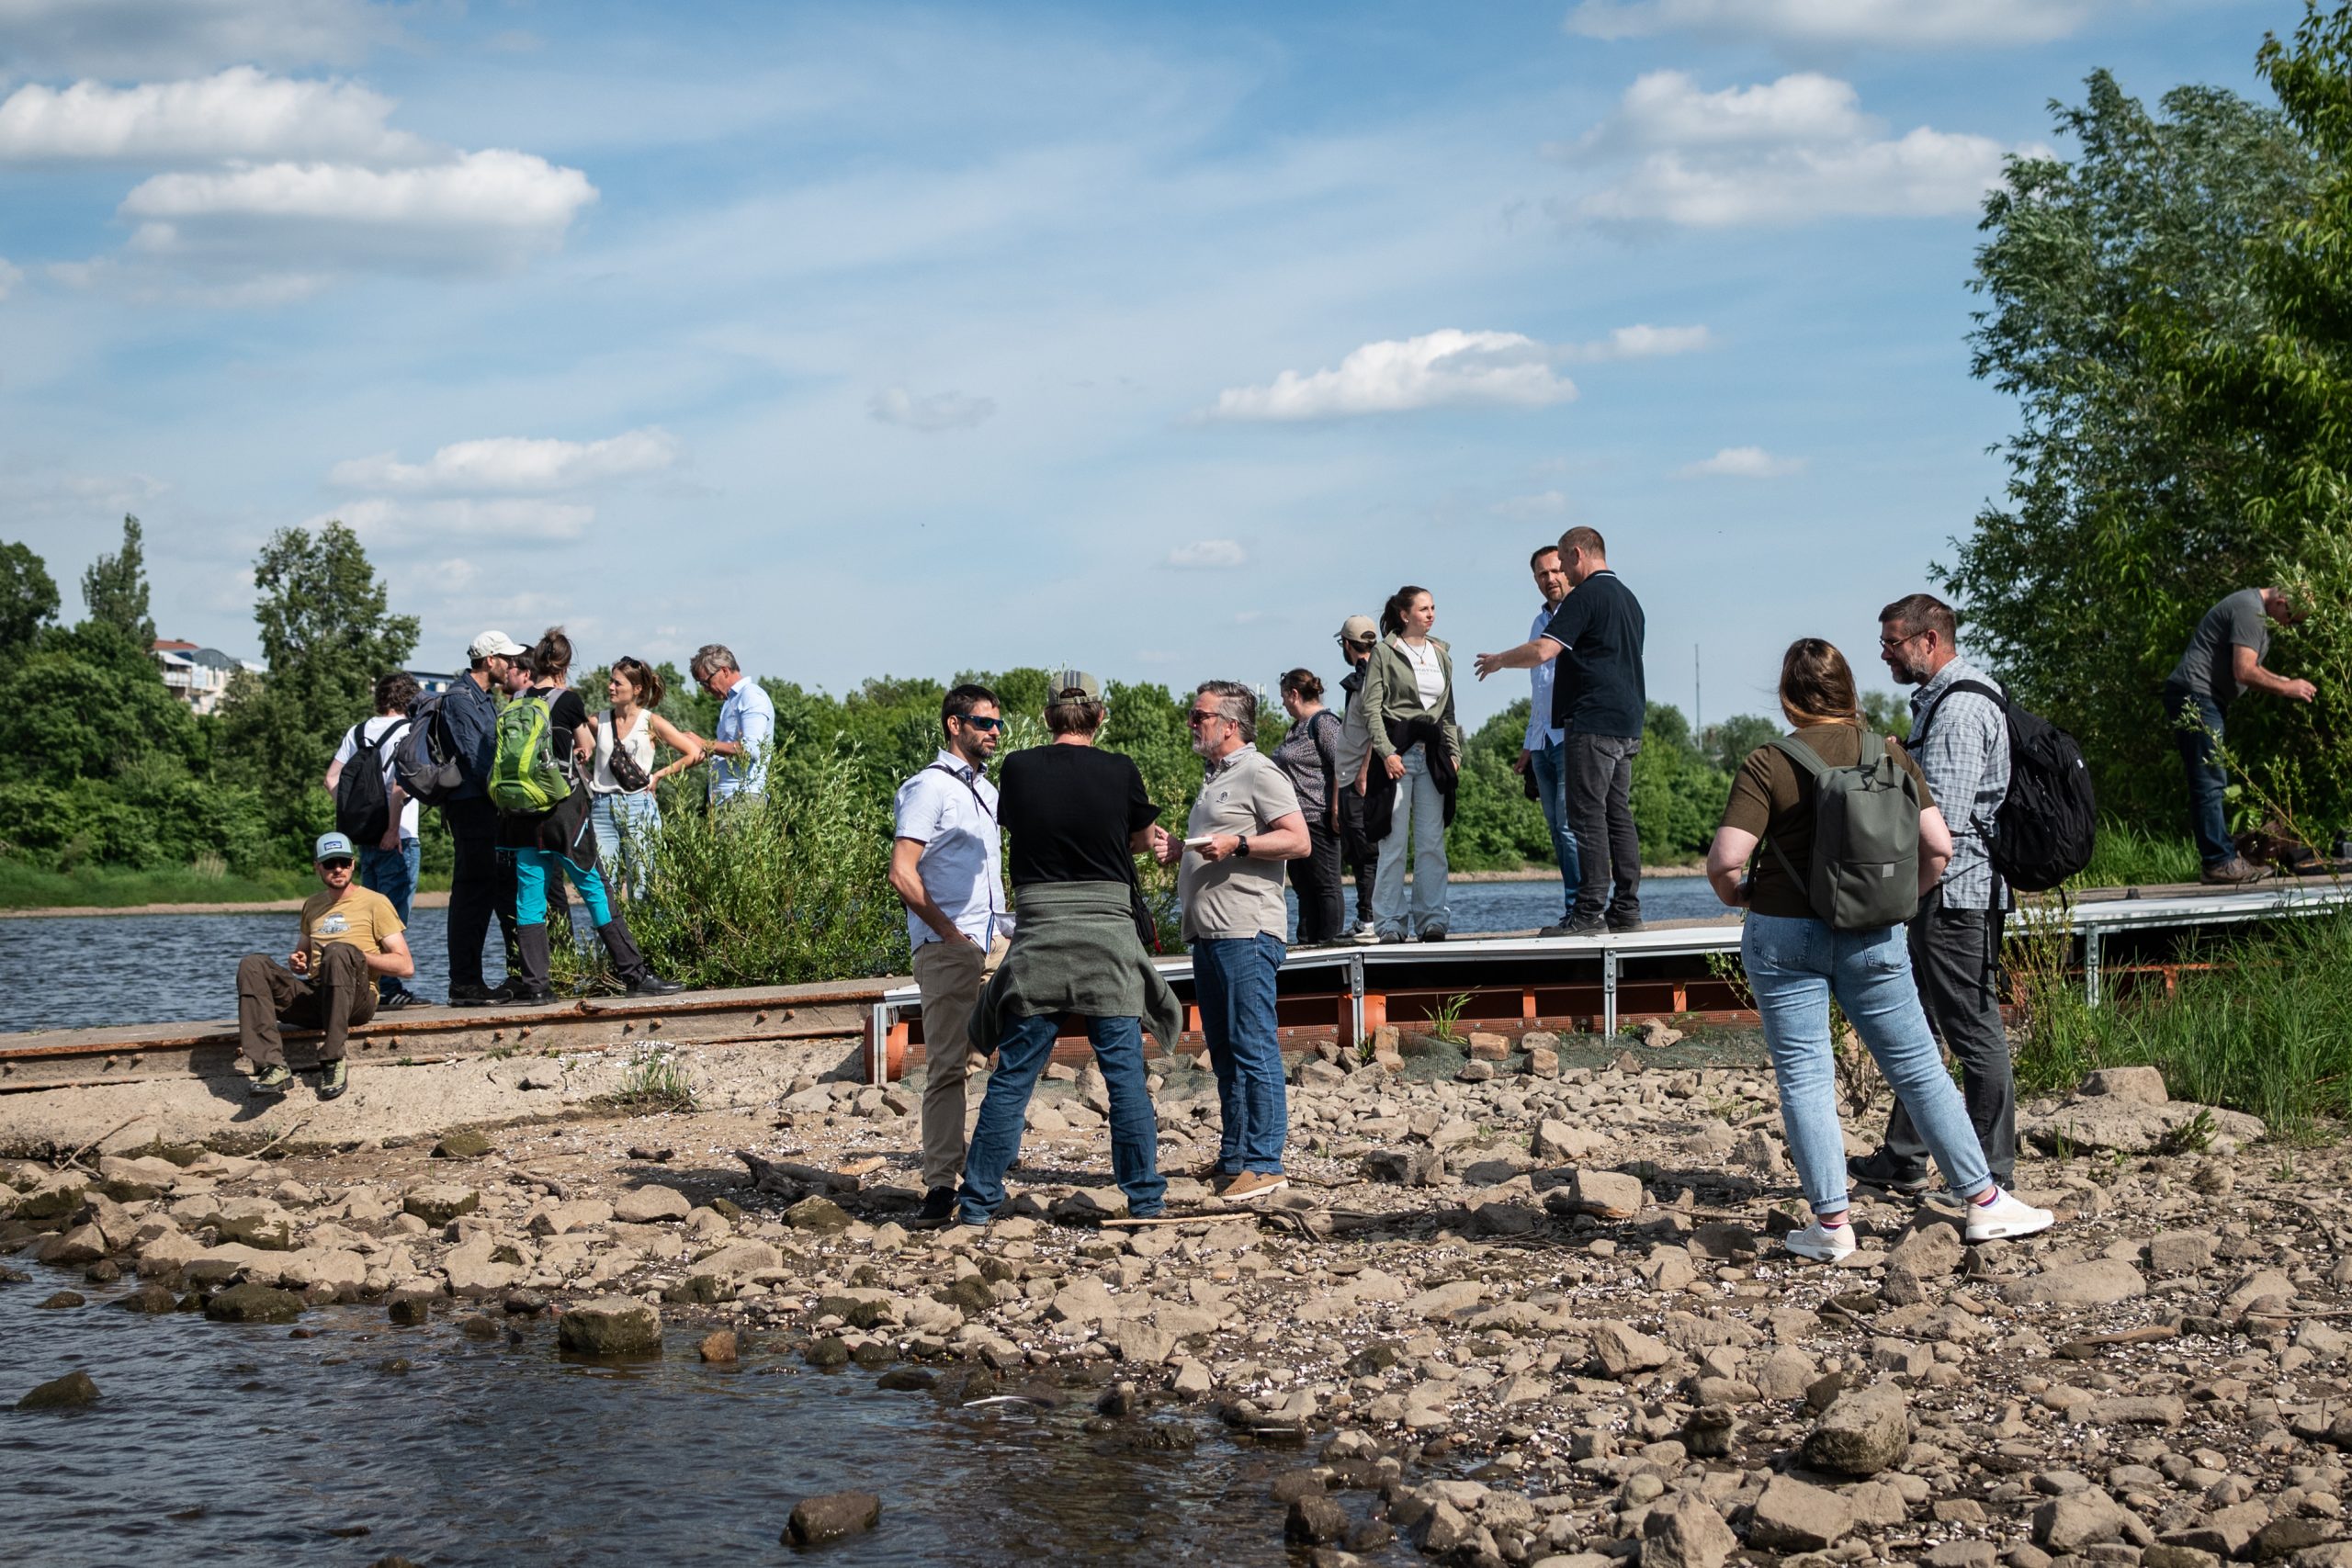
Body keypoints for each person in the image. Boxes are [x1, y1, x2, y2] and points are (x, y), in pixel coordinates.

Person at [1703, 638, 2052, 1261]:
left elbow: (1727, 860)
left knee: (1807, 1078)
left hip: (1784, 934)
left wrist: (1746, 894)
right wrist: (1901, 903)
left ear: (1788, 695)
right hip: (1876, 935)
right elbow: (1939, 848)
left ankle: (1833, 1226)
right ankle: (1984, 1202)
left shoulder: (1769, 761)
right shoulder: (1890, 754)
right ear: (1849, 691)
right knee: (1920, 1068)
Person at [959, 671, 1174, 1228]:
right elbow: (1143, 842)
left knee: (1013, 1077)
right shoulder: (1120, 769)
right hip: (1108, 939)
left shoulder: (1018, 768)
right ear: (1099, 718)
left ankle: (977, 1203)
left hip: (1040, 939)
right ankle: (1145, 1199)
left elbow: (1017, 827)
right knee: (1125, 1077)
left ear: (1048, 717)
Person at [1849, 593, 2017, 1197]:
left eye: (1893, 642)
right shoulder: (1941, 703)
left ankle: (1991, 1170)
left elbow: (1941, 812)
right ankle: (1904, 1153)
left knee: (1973, 1029)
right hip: (1946, 889)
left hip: (1955, 891)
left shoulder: (1960, 707)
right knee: (1921, 1027)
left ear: (1930, 641)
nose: (1885, 653)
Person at [1157, 680, 1310, 1201]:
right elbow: (1215, 845)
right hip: (1209, 933)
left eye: (1199, 715)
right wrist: (1183, 849)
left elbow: (1298, 839)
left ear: (1230, 724)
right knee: (1223, 1050)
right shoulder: (1215, 778)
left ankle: (1267, 1164)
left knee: (1253, 1045)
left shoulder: (1259, 770)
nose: (1191, 723)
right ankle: (1236, 1157)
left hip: (1246, 930)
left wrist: (1240, 843)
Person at [1475, 526, 1645, 934]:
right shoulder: (1629, 599)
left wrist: (1499, 660)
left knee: (1585, 816)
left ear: (1576, 554)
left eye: (1565, 565)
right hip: (1627, 721)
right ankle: (1626, 909)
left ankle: (1587, 914)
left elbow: (1544, 650)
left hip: (1591, 720)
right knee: (1617, 814)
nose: (1563, 575)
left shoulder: (1585, 596)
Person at [497, 631, 683, 1003]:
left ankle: (536, 986)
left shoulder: (515, 701)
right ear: (565, 665)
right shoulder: (568, 700)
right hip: (562, 814)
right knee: (596, 889)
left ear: (535, 664)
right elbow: (587, 746)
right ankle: (634, 974)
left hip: (519, 815)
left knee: (529, 899)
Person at [889, 683, 1012, 1227]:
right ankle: (941, 1185)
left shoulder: (987, 790)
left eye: (997, 725)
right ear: (953, 725)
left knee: (1013, 1055)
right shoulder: (929, 788)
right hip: (951, 945)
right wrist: (946, 932)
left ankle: (987, 1174)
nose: (993, 732)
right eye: (983, 723)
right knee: (946, 1068)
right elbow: (902, 871)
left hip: (997, 940)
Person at [235, 831, 415, 1100]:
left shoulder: (376, 903)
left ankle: (333, 1060)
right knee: (253, 965)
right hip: (319, 995)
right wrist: (298, 962)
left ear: (353, 864)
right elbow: (303, 956)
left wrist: (359, 955)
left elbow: (405, 966)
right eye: (330, 864)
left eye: (344, 862)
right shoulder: (313, 905)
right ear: (317, 867)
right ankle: (271, 1065)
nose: (338, 869)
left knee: (338, 951)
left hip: (357, 1000)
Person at [2163, 586, 2313, 884]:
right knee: (2210, 779)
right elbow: (2244, 671)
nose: (2288, 625)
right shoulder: (2251, 610)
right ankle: (2219, 862)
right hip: (2197, 697)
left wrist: (2285, 680)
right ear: (2282, 601)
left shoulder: (2254, 610)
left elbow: (2253, 666)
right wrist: (2287, 687)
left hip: (2204, 697)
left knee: (2212, 778)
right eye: (2291, 618)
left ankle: (2223, 853)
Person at [1362, 586, 1462, 942]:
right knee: (1393, 844)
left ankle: (1433, 920)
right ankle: (1389, 923)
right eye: (1423, 609)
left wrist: (1454, 752)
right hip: (1397, 752)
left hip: (1432, 753)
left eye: (1433, 607)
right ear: (1405, 615)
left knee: (1432, 842)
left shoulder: (1442, 654)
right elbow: (1370, 707)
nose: (1431, 614)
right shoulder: (1385, 653)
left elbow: (1447, 712)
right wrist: (1386, 751)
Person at [325, 671, 428, 1007]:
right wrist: (391, 829)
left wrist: (358, 815)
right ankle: (390, 990)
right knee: (393, 918)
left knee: (367, 918)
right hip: (399, 838)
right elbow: (400, 787)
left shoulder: (357, 732)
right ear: (409, 700)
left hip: (365, 839)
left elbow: (331, 780)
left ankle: (368, 986)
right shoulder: (410, 732)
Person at [440, 630, 526, 1006]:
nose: (512, 664)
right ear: (489, 660)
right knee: (472, 896)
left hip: (486, 808)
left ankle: (517, 975)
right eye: (507, 658)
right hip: (473, 809)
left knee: (498, 891)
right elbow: (478, 761)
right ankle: (465, 984)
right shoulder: (460, 700)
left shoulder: (484, 699)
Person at [583, 657, 703, 898]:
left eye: (617, 683)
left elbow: (694, 752)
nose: (610, 687)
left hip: (639, 805)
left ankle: (641, 936)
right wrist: (586, 777)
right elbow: (576, 749)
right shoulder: (598, 720)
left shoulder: (650, 722)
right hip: (601, 807)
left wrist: (658, 775)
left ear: (636, 689)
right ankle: (606, 937)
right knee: (604, 887)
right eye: (611, 681)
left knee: (642, 886)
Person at [1514, 545, 1582, 935]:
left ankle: (1582, 909)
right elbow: (1540, 690)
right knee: (1557, 829)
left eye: (1555, 571)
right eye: (1542, 574)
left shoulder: (1579, 614)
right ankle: (1572, 907)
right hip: (1542, 740)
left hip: (1571, 736)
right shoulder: (1538, 621)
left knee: (1572, 826)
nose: (1550, 579)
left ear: (1568, 569)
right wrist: (1528, 742)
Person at [1271, 669, 1345, 944]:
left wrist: (1336, 809)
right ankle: (1308, 941)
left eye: (1283, 697)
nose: (1282, 704)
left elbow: (1343, 764)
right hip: (1296, 822)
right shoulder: (1296, 729)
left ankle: (1330, 943)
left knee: (1326, 885)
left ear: (1294, 694)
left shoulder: (1324, 723)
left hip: (1319, 816)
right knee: (1304, 888)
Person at [1333, 616, 1382, 943]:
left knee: (1366, 852)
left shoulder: (1372, 680)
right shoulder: (1361, 680)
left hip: (1361, 780)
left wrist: (1365, 772)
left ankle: (1371, 920)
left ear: (1348, 645)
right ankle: (1366, 916)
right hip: (1349, 778)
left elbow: (1378, 727)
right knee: (1356, 852)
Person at [688, 643, 775, 809]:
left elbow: (751, 749)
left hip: (741, 797)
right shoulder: (731, 701)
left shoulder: (751, 697)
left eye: (706, 682)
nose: (706, 690)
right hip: (724, 798)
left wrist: (704, 744)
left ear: (724, 671)